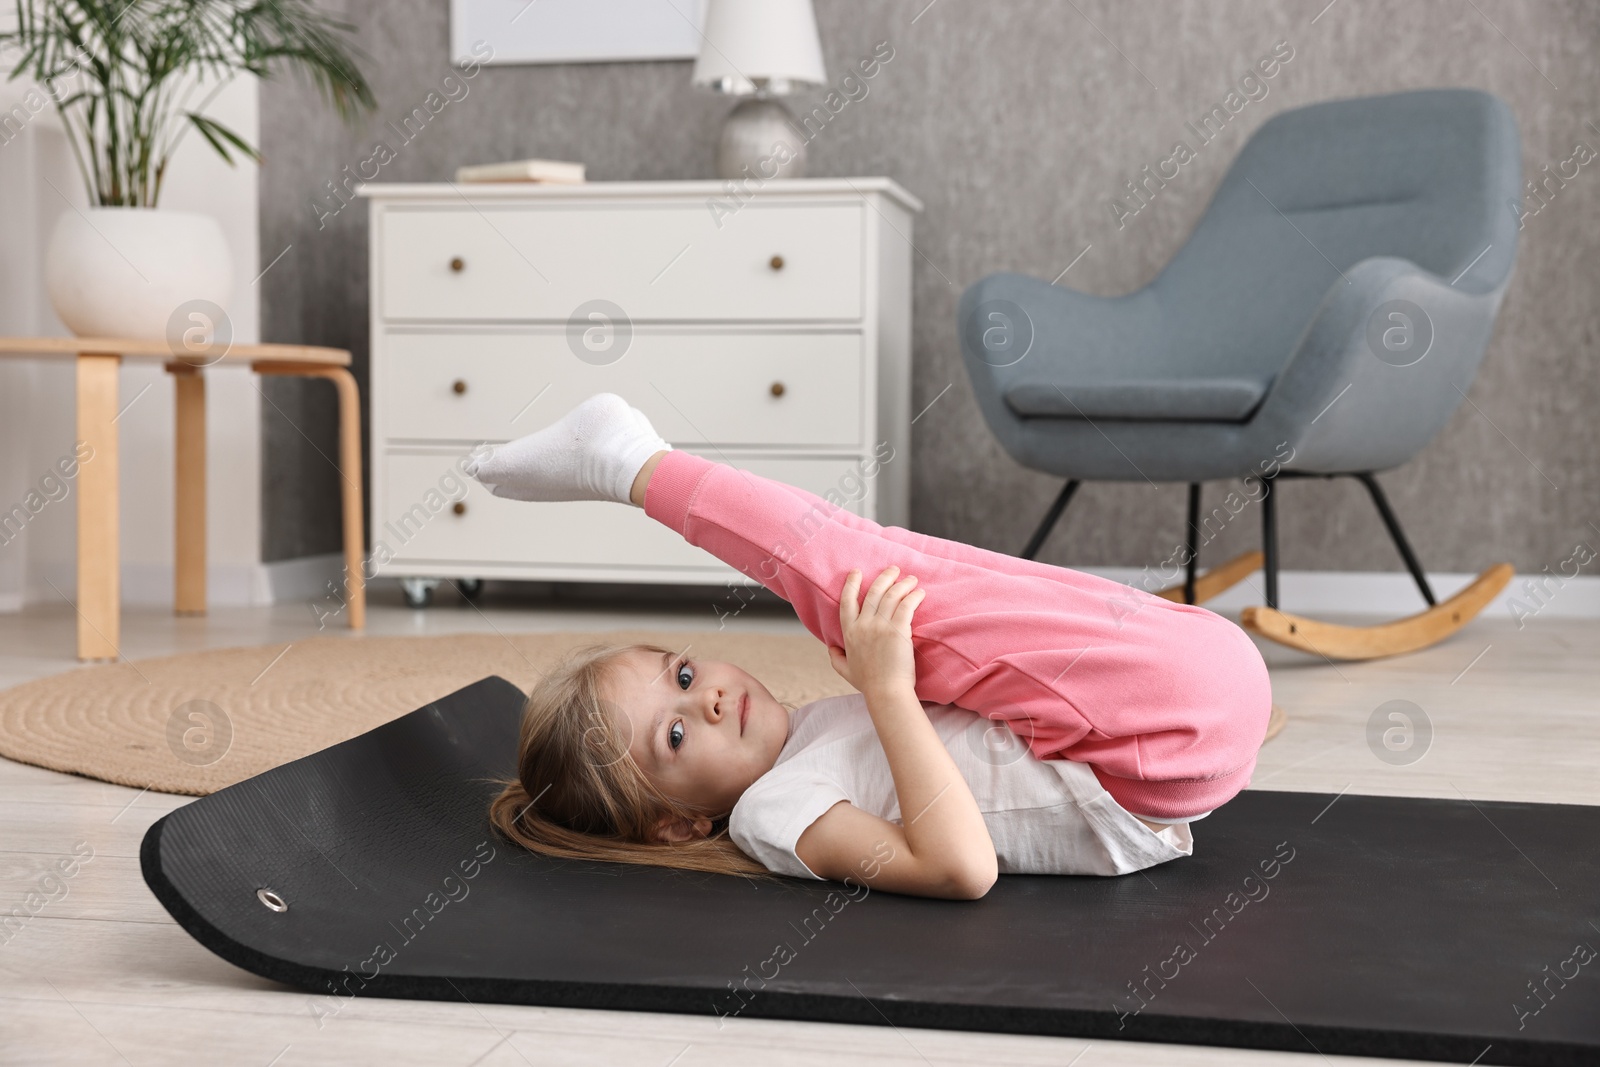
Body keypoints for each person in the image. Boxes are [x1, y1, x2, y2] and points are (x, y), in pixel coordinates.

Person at [470, 393, 1274, 899]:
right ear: (677, 827)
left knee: (892, 578)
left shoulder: (804, 740)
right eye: (674, 734)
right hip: (1153, 750)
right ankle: (634, 466)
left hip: (1165, 719)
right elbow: (962, 869)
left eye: (682, 672)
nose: (706, 695)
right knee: (865, 573)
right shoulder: (769, 814)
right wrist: (890, 692)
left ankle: (632, 462)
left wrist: (892, 684)